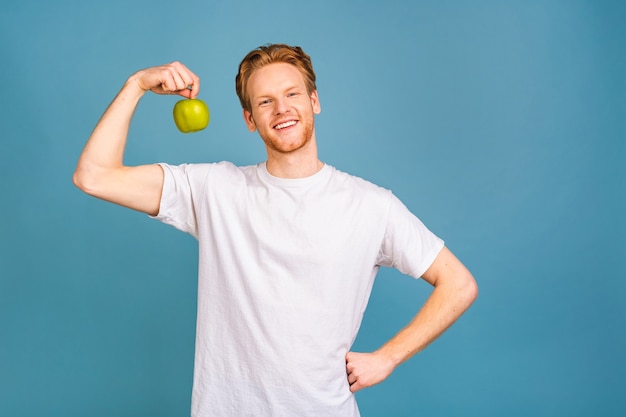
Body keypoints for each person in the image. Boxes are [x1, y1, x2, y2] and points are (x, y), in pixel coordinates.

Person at [73, 43, 478, 417]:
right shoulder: (214, 189)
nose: (281, 109)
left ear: (314, 101)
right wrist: (137, 84)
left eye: (292, 94)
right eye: (265, 102)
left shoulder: (372, 205)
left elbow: (458, 284)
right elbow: (95, 176)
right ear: (250, 120)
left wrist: (388, 357)